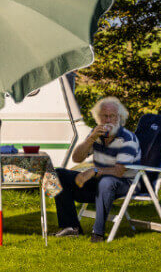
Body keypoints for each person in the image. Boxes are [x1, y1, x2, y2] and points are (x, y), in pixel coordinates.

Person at [52, 97, 141, 241]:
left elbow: (119, 171)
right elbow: (77, 158)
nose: (108, 120)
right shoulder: (97, 135)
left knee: (106, 181)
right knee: (58, 174)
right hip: (99, 182)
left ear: (119, 118)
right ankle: (70, 227)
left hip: (125, 183)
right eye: (104, 116)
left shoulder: (127, 139)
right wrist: (90, 139)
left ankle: (98, 233)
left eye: (112, 116)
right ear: (98, 118)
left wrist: (94, 171)